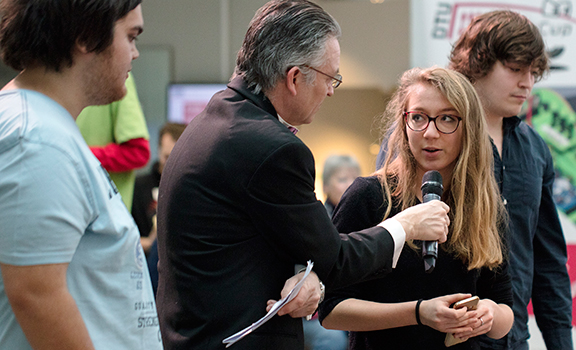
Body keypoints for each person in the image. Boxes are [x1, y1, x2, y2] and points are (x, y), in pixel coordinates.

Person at [155, 1, 450, 349]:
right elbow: (335, 257)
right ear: (295, 77)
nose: (330, 90)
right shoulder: (271, 148)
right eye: (331, 78)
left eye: (447, 119)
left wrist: (307, 275)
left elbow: (259, 238)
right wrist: (407, 224)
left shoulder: (216, 121)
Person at [0, 1, 161, 349]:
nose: (134, 53)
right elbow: (35, 295)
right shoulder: (37, 138)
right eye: (130, 37)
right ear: (87, 36)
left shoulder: (46, 127)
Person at [319, 66, 513, 349]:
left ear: (469, 128)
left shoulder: (482, 205)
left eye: (447, 119)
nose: (430, 133)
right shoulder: (369, 196)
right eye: (419, 118)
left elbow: (505, 312)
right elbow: (331, 311)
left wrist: (488, 313)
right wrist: (419, 313)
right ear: (403, 122)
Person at [449, 10, 573, 350]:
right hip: (442, 337)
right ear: (476, 62)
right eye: (516, 69)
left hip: (513, 338)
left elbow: (548, 261)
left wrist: (561, 344)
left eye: (533, 72)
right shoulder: (430, 136)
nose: (527, 83)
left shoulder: (535, 149)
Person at [303, 154, 361, 350]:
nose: (351, 185)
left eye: (355, 179)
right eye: (342, 179)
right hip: (315, 311)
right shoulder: (316, 220)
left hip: (355, 304)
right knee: (332, 341)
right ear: (326, 186)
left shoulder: (367, 221)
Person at [76, 72, 151, 211]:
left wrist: (77, 155)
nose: (135, 53)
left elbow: (138, 152)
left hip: (102, 216)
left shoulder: (119, 76)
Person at [132, 122, 187, 254]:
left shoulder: (194, 189)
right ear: (158, 150)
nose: (173, 165)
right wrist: (151, 242)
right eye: (168, 157)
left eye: (179, 158)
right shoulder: (139, 187)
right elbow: (123, 240)